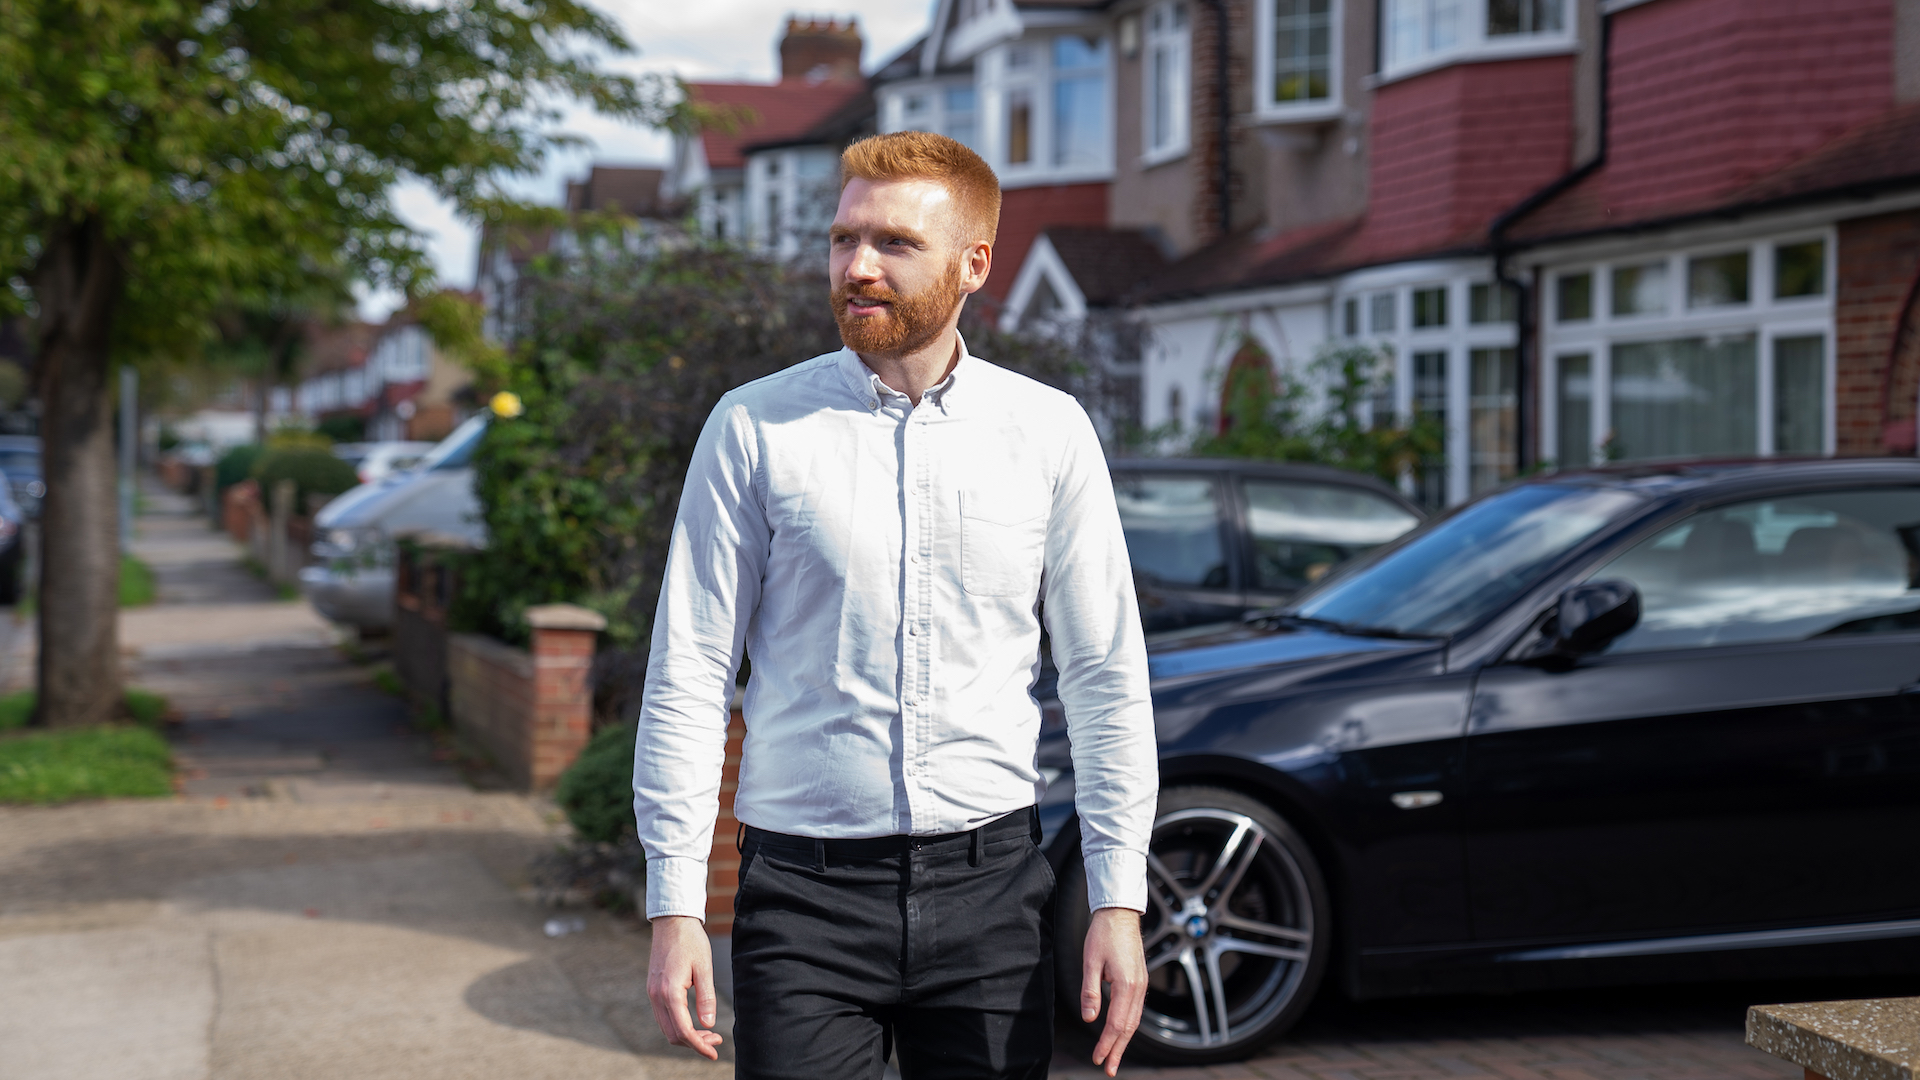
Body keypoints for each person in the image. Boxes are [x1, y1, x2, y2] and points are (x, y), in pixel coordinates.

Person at [635, 130, 1159, 1079]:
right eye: (844, 240)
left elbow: (1104, 677)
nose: (857, 267)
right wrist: (676, 906)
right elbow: (689, 673)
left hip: (995, 894)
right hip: (804, 899)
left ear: (974, 264)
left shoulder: (1047, 432)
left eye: (893, 245)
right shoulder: (754, 427)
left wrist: (1118, 899)